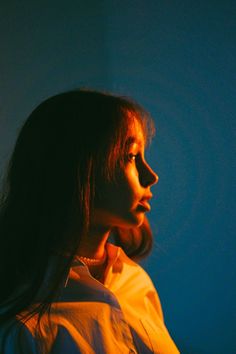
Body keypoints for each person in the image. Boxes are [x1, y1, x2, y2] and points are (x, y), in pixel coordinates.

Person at [0, 89, 179, 353]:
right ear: (78, 168)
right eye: (130, 156)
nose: (151, 175)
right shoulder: (24, 326)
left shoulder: (135, 282)